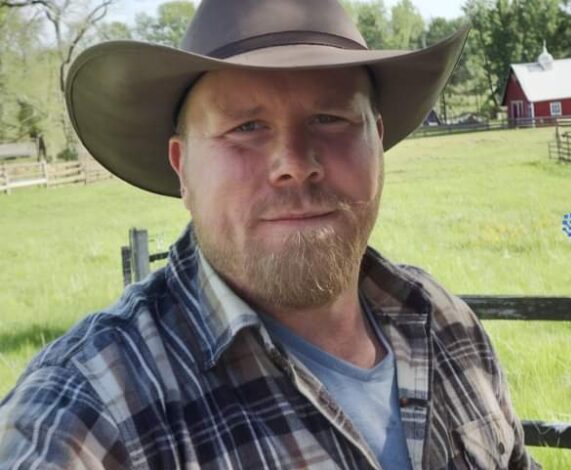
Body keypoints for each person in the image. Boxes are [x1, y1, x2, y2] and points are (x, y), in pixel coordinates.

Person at [0, 0, 539, 468]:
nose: (294, 164)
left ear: (377, 140)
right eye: (247, 127)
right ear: (183, 168)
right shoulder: (96, 409)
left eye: (330, 118)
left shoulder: (443, 324)